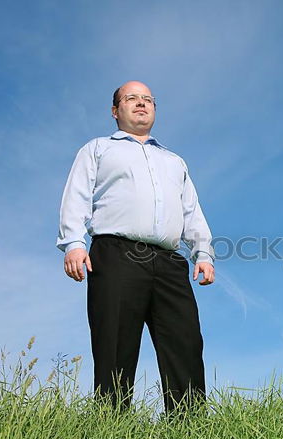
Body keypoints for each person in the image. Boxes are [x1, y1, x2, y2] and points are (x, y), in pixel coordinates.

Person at [56, 80, 215, 415]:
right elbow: (77, 197)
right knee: (114, 343)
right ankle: (111, 426)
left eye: (148, 99)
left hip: (170, 262)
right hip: (115, 253)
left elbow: (191, 211)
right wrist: (73, 243)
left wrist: (203, 253)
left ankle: (192, 430)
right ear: (116, 111)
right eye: (131, 98)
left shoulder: (174, 161)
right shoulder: (98, 149)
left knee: (185, 343)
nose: (141, 104)